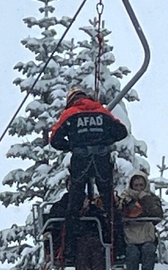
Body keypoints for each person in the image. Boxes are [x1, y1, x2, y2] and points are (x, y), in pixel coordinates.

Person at [50, 88, 129, 232]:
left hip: (81, 159)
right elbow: (121, 131)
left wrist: (71, 146)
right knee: (109, 203)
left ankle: (70, 250)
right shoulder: (101, 111)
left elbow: (55, 140)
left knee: (74, 204)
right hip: (101, 158)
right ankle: (119, 247)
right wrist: (105, 140)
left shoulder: (70, 113)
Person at [118, 170, 163, 270]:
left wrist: (145, 200)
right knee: (132, 253)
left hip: (147, 235)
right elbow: (120, 213)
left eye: (141, 185)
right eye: (136, 185)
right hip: (130, 236)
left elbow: (157, 214)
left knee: (148, 251)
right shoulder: (124, 198)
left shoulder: (151, 198)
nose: (138, 189)